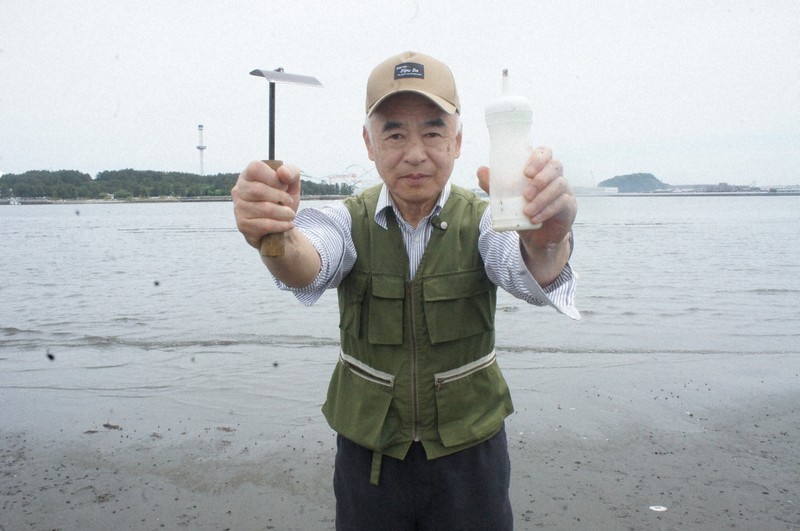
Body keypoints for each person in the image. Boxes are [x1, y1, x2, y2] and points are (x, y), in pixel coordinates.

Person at [232, 51, 579, 530]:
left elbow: (525, 268)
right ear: (369, 143)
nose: (415, 153)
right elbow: (308, 265)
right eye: (394, 133)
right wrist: (276, 235)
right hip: (369, 459)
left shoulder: (486, 220)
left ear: (458, 141)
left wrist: (548, 241)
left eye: (433, 132)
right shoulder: (346, 220)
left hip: (470, 457)